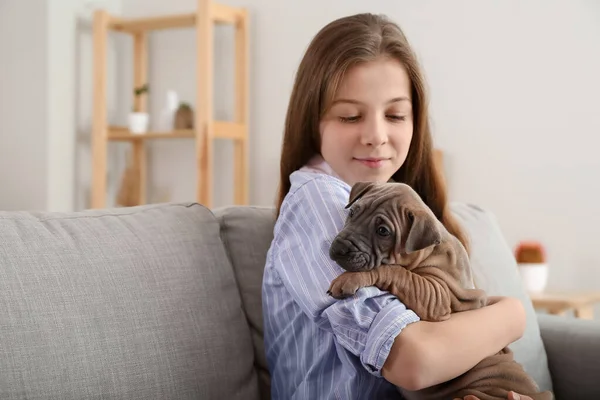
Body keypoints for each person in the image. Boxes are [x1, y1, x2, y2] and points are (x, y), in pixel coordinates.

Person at [262, 12, 532, 400]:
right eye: (350, 115)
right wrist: (512, 315)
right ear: (313, 122)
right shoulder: (317, 198)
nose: (375, 135)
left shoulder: (407, 208)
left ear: (415, 121)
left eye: (395, 115)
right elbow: (414, 361)